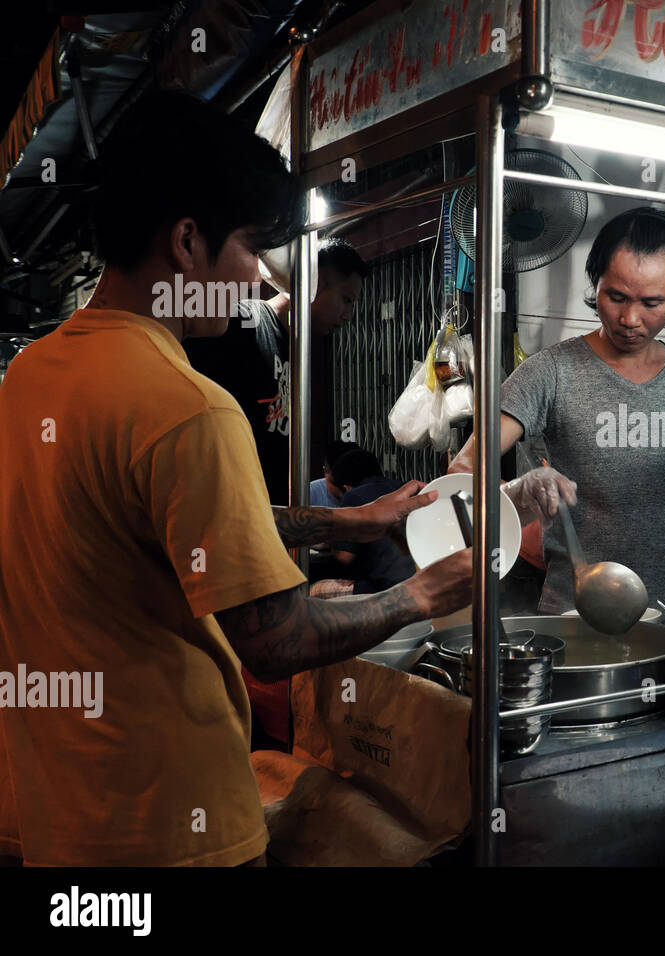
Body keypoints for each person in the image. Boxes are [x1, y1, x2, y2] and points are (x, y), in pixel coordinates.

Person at [0, 90, 472, 867]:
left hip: (51, 809)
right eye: (252, 247)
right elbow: (277, 641)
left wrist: (354, 522)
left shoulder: (32, 374)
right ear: (187, 242)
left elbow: (167, 535)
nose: (258, 276)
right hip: (166, 821)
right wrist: (422, 594)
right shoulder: (187, 405)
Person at [451, 207, 665, 616]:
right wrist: (520, 487)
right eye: (616, 297)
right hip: (579, 616)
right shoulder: (551, 371)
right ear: (595, 281)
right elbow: (463, 471)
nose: (630, 319)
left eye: (652, 302)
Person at [185, 237, 369, 505]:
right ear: (319, 282)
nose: (348, 315)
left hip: (268, 515)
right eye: (346, 300)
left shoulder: (298, 351)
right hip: (221, 509)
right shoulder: (240, 323)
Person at [328, 449, 418, 594]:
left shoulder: (353, 496)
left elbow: (345, 557)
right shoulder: (404, 488)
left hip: (380, 588)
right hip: (416, 581)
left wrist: (329, 538)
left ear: (346, 487)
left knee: (315, 590)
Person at [312, 438, 359, 508]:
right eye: (339, 486)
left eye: (353, 484)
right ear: (325, 471)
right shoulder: (310, 494)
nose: (347, 492)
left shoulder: (372, 493)